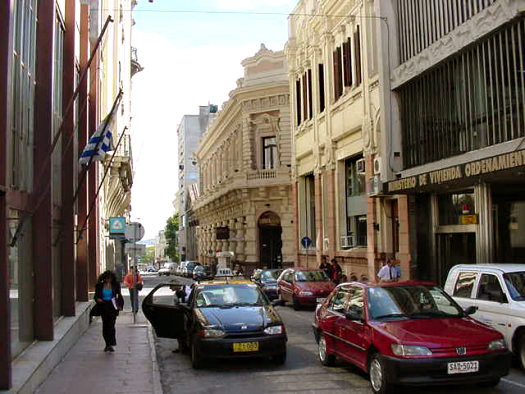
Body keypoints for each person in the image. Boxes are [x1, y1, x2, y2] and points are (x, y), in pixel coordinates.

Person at [94, 270, 123, 352]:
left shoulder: (115, 285)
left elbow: (119, 296)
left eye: (110, 279)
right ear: (104, 278)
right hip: (103, 306)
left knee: (111, 325)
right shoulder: (100, 286)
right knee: (105, 325)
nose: (108, 280)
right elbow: (96, 296)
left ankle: (111, 343)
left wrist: (119, 305)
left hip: (112, 306)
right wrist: (98, 299)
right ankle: (107, 344)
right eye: (107, 279)